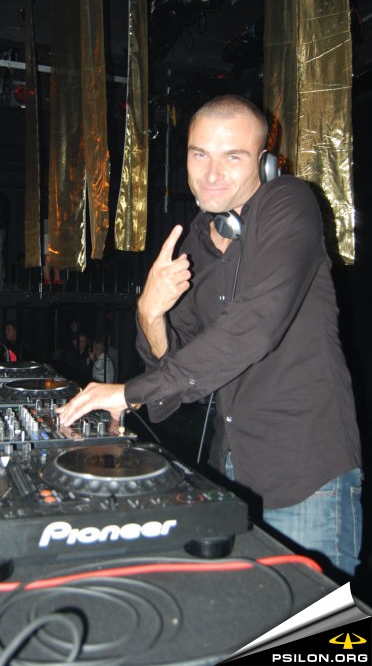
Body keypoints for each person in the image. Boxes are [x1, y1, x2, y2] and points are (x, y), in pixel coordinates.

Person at [57, 94, 363, 578]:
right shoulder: (196, 240)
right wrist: (149, 313)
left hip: (305, 473)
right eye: (200, 154)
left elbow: (256, 326)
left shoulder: (288, 203)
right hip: (232, 470)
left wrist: (129, 393)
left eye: (233, 156)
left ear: (265, 163)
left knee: (310, 624)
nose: (212, 173)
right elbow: (173, 381)